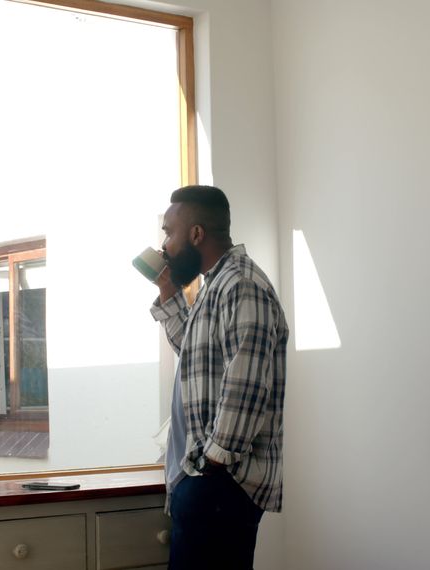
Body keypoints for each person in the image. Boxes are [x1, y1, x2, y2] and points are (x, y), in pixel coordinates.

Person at [150, 185, 288, 569]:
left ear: (196, 234)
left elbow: (246, 387)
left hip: (217, 486)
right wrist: (166, 290)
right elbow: (193, 356)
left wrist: (209, 467)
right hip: (205, 483)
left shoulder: (242, 286)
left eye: (168, 232)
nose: (164, 245)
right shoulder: (217, 286)